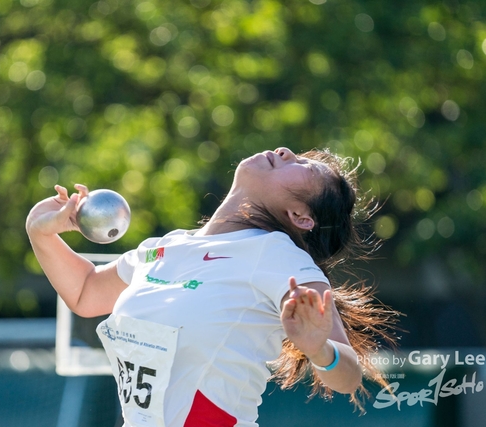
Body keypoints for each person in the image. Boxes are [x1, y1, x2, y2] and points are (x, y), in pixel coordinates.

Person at [26, 147, 397, 427]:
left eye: (302, 166)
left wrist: (319, 348)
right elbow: (86, 293)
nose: (285, 152)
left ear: (301, 217)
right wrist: (40, 231)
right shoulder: (166, 246)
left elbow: (348, 378)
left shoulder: (280, 258)